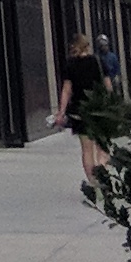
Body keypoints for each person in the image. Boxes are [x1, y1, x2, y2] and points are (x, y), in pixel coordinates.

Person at [53, 31, 110, 196]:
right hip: (99, 109)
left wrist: (61, 112)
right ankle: (101, 170)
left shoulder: (70, 65)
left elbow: (66, 90)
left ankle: (93, 182)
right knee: (102, 147)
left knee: (86, 149)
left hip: (80, 110)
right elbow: (108, 86)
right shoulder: (98, 62)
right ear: (88, 46)